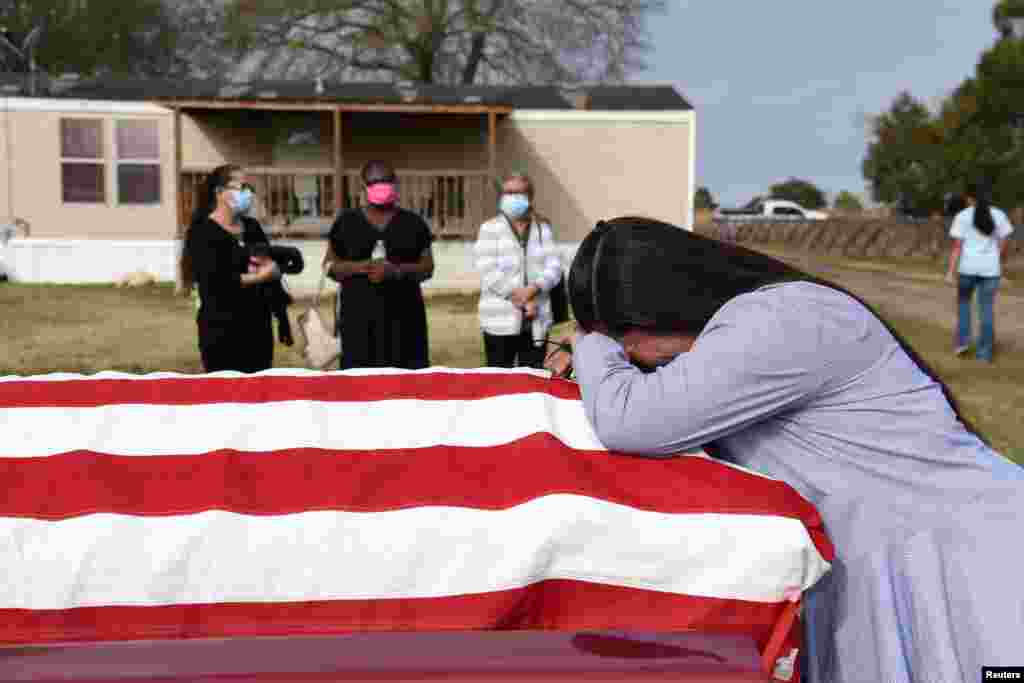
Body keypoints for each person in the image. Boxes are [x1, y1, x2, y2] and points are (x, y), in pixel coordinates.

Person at [545, 217, 1023, 683]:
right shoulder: (751, 324)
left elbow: (633, 421)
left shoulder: (782, 319)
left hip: (975, 568)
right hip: (910, 562)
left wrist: (591, 345)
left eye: (623, 343)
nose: (627, 359)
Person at [179, 164, 292, 373]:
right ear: (220, 192)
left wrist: (282, 317)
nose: (247, 193)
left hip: (258, 330)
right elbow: (215, 282)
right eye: (241, 187)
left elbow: (269, 270)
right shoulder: (202, 232)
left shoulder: (252, 227)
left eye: (249, 188)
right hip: (221, 332)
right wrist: (259, 277)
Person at [323, 160, 434, 369]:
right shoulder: (346, 222)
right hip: (358, 324)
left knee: (406, 384)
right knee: (359, 384)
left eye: (386, 180)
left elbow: (428, 268)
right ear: (363, 186)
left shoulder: (414, 223)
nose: (381, 185)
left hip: (405, 325)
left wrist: (396, 271)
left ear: (396, 183)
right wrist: (361, 266)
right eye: (375, 181)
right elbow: (329, 266)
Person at [473, 173, 563, 368]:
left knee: (533, 377)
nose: (512, 197)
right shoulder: (490, 228)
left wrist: (534, 289)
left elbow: (555, 267)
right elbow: (488, 270)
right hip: (499, 319)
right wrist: (522, 298)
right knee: (498, 378)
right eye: (508, 192)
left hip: (536, 319)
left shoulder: (542, 228)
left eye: (518, 192)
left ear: (530, 196)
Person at [945, 180, 1014, 362]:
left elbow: (957, 247)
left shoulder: (962, 216)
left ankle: (962, 343)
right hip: (990, 270)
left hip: (967, 268)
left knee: (963, 306)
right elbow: (1004, 242)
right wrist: (998, 260)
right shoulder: (999, 215)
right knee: (986, 310)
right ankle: (985, 354)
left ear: (969, 198)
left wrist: (951, 271)